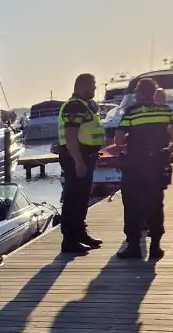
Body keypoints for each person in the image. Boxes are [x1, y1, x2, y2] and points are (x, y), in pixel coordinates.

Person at [112, 77, 173, 260]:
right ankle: (156, 246)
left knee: (132, 206)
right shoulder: (165, 110)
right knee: (156, 204)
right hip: (158, 162)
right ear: (153, 93)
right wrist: (171, 149)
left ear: (139, 93)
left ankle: (134, 247)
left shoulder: (131, 111)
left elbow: (118, 140)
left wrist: (128, 138)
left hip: (135, 164)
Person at [58, 73, 106, 255]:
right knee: (73, 197)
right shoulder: (74, 106)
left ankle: (79, 233)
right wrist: (78, 161)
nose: (94, 89)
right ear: (82, 86)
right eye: (92, 85)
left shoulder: (86, 106)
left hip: (86, 155)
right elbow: (70, 136)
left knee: (83, 197)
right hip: (75, 157)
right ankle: (69, 240)